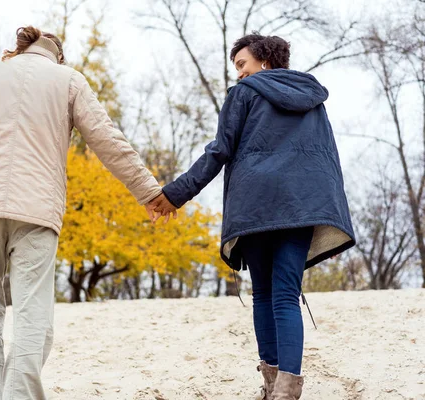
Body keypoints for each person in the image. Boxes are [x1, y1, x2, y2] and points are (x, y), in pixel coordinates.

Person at [0, 26, 169, 400]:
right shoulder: (68, 80)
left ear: (21, 48)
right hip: (37, 211)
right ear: (57, 55)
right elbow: (108, 141)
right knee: (32, 312)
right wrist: (149, 192)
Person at [151, 33, 355, 400]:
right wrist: (332, 218)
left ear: (263, 60)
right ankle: (286, 391)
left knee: (264, 295)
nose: (240, 74)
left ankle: (271, 384)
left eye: (242, 64)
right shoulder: (313, 99)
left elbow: (218, 152)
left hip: (256, 207)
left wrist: (175, 194)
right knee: (286, 297)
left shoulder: (242, 94)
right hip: (301, 209)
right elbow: (327, 162)